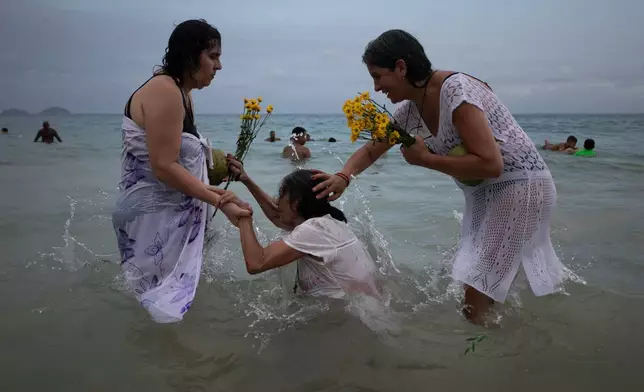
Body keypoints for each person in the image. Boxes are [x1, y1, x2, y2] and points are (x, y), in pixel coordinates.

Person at [312, 29, 564, 324]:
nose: (376, 88)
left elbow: (491, 164)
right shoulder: (410, 112)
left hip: (520, 185)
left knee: (476, 287)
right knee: (475, 277)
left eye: (378, 76)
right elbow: (371, 150)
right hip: (486, 193)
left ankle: (483, 351)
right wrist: (344, 176)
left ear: (402, 67)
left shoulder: (457, 90)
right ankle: (511, 336)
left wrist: (427, 160)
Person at [111, 19, 251, 323]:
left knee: (169, 303)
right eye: (213, 57)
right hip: (152, 220)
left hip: (169, 216)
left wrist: (218, 180)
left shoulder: (183, 93)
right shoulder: (164, 90)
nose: (219, 66)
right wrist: (220, 202)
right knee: (157, 309)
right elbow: (163, 167)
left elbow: (177, 160)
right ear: (190, 56)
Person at [223, 159, 380, 299]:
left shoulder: (313, 229)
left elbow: (257, 263)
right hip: (362, 310)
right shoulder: (332, 223)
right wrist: (245, 179)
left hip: (346, 315)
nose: (276, 201)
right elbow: (279, 216)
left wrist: (243, 217)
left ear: (296, 203)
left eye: (280, 195)